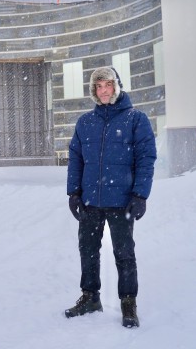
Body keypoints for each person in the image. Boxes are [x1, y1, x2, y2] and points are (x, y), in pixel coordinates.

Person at [65, 66, 156, 328]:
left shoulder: (135, 119)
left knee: (124, 253)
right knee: (88, 251)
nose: (103, 91)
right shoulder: (85, 122)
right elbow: (76, 159)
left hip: (122, 200)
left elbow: (146, 159)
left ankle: (128, 302)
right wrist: (74, 193)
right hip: (91, 200)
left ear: (117, 86)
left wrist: (140, 194)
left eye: (107, 85)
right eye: (98, 86)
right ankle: (90, 297)